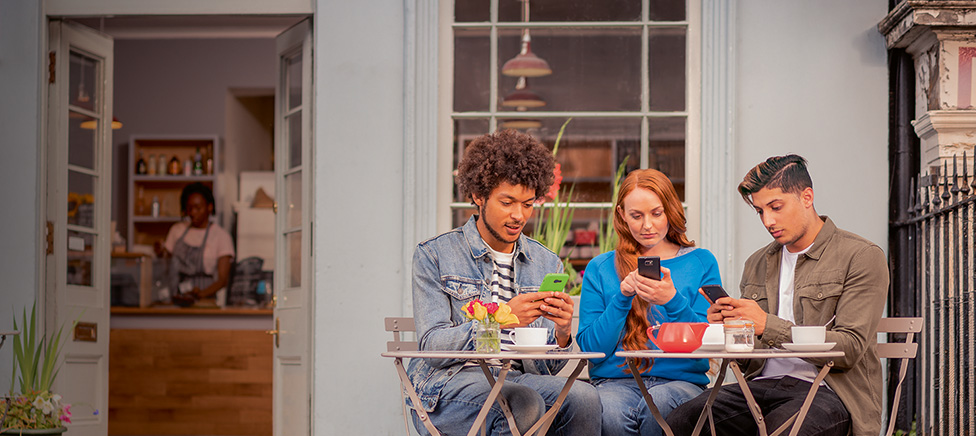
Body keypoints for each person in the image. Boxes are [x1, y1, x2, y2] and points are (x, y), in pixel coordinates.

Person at [666, 155, 888, 436]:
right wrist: (728, 328)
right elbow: (746, 360)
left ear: (807, 197)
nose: (768, 220)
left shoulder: (860, 256)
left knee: (782, 430)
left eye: (776, 207)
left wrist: (767, 325)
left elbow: (851, 347)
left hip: (828, 390)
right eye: (760, 211)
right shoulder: (757, 263)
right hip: (760, 386)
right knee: (683, 421)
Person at [407, 129, 601, 435]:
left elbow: (545, 370)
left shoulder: (546, 262)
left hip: (516, 380)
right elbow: (432, 347)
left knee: (584, 397)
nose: (518, 215)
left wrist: (562, 335)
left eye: (527, 204)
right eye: (507, 202)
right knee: (522, 401)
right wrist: (500, 318)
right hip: (448, 387)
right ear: (478, 196)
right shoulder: (435, 255)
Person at [577, 169, 722, 436]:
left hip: (680, 382)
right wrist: (622, 299)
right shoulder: (601, 267)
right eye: (636, 216)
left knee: (662, 402)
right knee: (610, 410)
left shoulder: (700, 261)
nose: (647, 225)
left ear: (670, 210)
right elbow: (590, 348)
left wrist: (672, 300)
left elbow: (707, 342)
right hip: (614, 382)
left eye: (656, 213)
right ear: (621, 214)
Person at [154, 182, 235, 307]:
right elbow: (167, 263)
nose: (192, 213)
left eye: (198, 208)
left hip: (205, 301)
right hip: (176, 298)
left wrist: (198, 295)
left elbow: (222, 280)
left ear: (209, 207)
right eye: (189, 208)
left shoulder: (221, 236)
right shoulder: (177, 230)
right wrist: (160, 252)